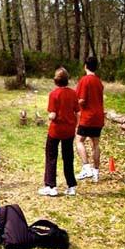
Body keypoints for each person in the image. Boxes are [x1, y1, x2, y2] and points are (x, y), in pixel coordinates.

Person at [38, 68, 80, 197]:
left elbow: (52, 114)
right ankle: (71, 185)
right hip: (69, 130)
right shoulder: (73, 94)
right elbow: (77, 112)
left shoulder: (54, 94)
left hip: (56, 130)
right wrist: (75, 125)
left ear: (56, 81)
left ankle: (51, 185)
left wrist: (48, 117)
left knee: (51, 156)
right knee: (68, 157)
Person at [75, 55, 104, 183]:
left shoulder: (84, 80)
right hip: (98, 116)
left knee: (79, 140)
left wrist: (74, 105)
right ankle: (96, 172)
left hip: (87, 116)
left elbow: (81, 99)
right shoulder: (98, 81)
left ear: (85, 66)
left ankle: (86, 167)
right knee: (95, 144)